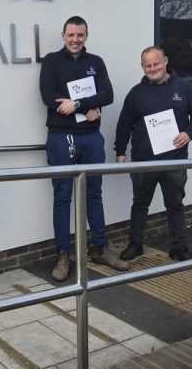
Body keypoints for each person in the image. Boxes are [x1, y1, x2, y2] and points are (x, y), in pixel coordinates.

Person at [39, 16, 129, 281]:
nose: (75, 39)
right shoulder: (52, 61)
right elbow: (48, 96)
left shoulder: (96, 63)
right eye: (71, 35)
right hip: (60, 137)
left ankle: (100, 247)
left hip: (91, 138)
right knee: (62, 196)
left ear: (86, 36)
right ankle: (63, 253)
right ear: (63, 35)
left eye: (80, 35)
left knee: (94, 193)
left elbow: (108, 95)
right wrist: (86, 106)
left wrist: (77, 105)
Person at [114, 46, 192, 262]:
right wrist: (120, 151)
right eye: (147, 65)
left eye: (156, 63)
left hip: (174, 161)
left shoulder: (184, 88)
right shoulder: (136, 94)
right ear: (142, 67)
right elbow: (124, 125)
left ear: (165, 61)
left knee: (175, 205)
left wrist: (189, 133)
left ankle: (179, 248)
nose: (152, 68)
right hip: (143, 161)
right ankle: (135, 244)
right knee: (140, 204)